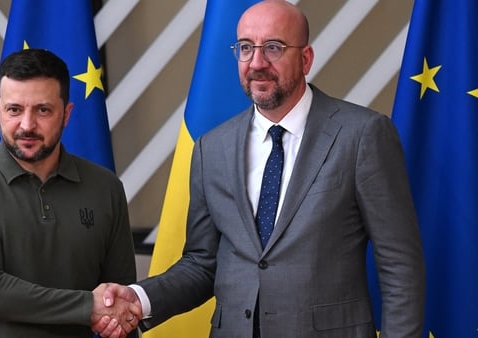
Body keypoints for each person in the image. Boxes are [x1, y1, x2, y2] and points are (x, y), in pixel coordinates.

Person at [93, 1, 425, 337]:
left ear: (306, 58)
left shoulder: (363, 135)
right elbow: (202, 264)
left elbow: (400, 267)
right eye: (246, 48)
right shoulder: (212, 148)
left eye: (273, 48)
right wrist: (138, 298)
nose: (257, 62)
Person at [0, 48, 140, 338]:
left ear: (66, 114)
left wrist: (112, 311)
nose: (27, 125)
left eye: (43, 110)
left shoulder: (106, 188)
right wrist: (87, 306)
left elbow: (118, 297)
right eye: (14, 109)